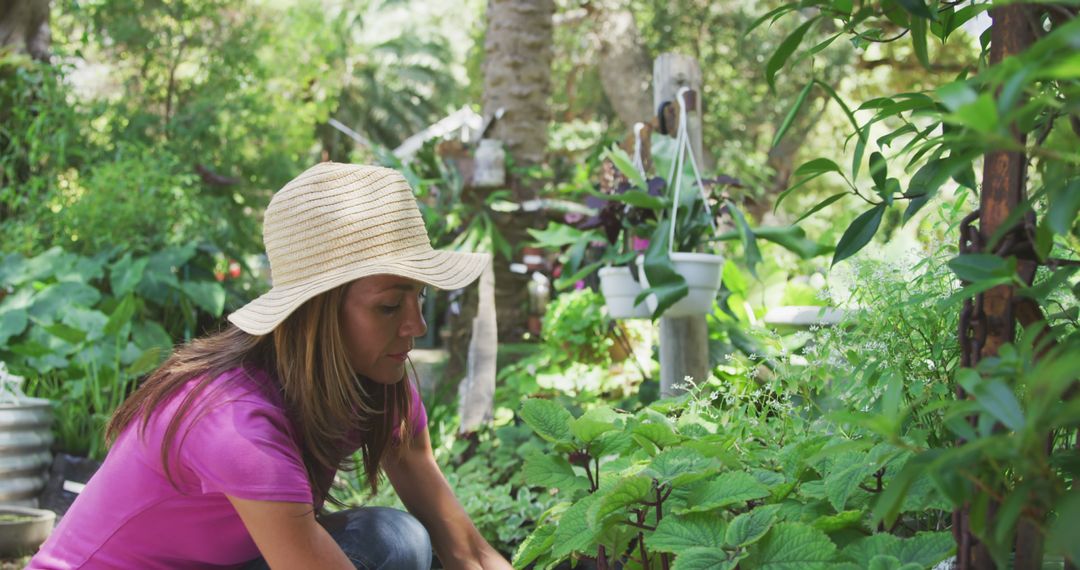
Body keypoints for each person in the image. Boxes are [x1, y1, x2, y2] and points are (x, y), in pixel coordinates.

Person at [29, 163, 511, 569]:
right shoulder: (236, 422)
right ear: (315, 315)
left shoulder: (377, 385)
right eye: (389, 307)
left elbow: (465, 549)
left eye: (419, 297)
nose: (417, 326)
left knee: (393, 538)